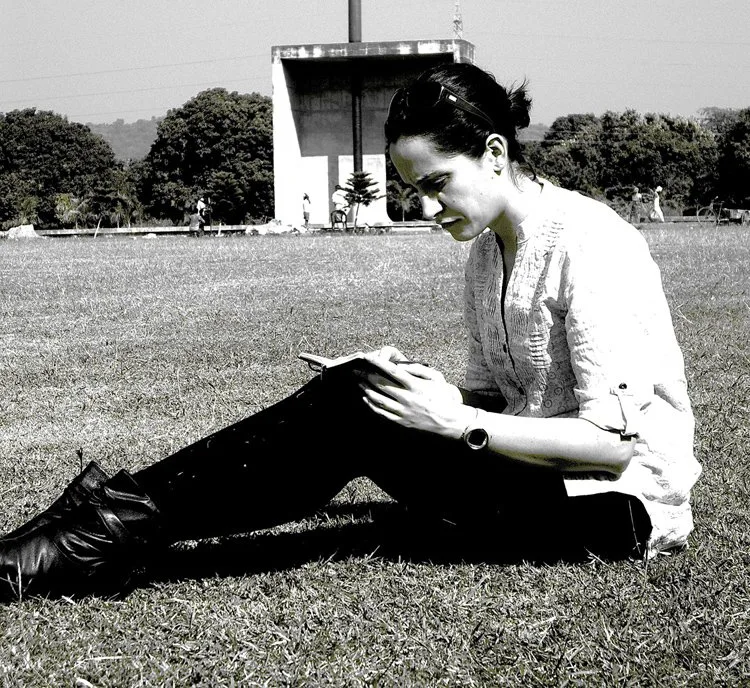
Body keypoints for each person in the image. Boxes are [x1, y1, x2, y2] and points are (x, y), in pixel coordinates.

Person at [0, 62, 700, 603]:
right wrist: (428, 390)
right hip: (539, 479)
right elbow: (497, 396)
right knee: (355, 390)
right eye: (412, 188)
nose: (426, 207)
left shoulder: (593, 245)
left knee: (348, 409)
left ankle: (87, 537)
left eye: (437, 182)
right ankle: (85, 535)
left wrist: (458, 424)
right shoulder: (490, 247)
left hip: (617, 510)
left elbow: (615, 444)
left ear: (494, 151)